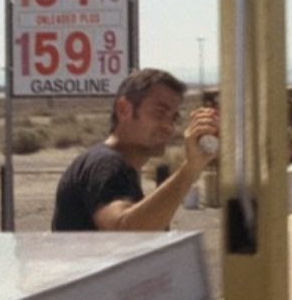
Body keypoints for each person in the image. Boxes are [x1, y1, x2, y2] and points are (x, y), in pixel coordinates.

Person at [51, 68, 218, 231]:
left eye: (174, 118)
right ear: (124, 109)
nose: (169, 127)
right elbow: (125, 231)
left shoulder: (118, 167)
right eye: (159, 113)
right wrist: (190, 169)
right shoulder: (106, 163)